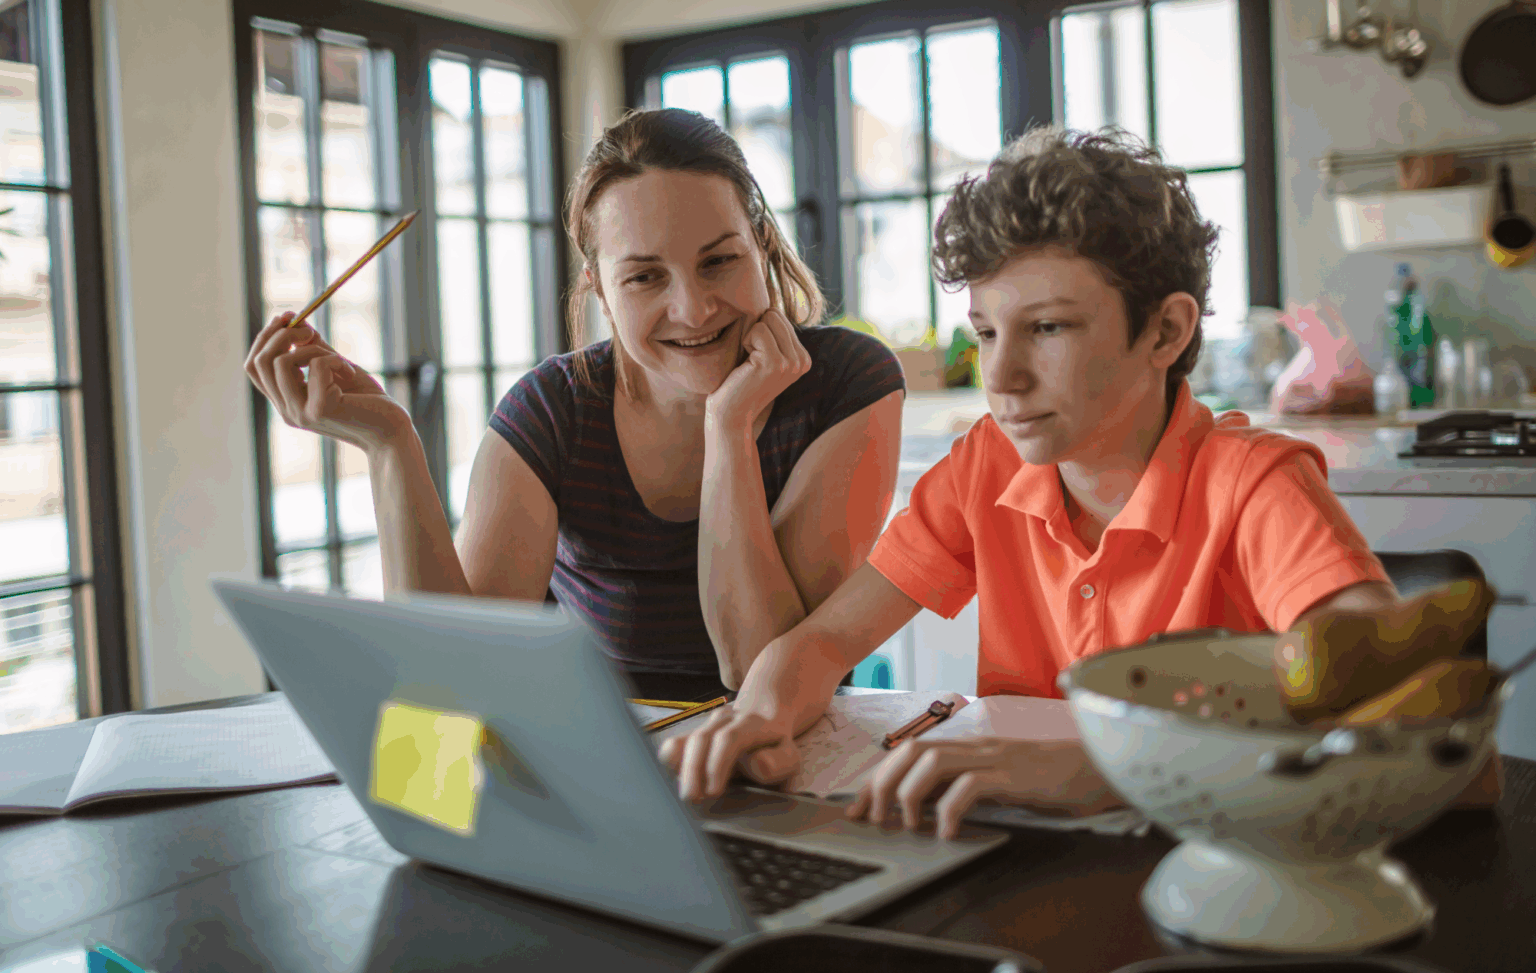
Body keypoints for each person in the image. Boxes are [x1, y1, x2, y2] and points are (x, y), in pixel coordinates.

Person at [661, 125, 1463, 833]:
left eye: (1046, 327)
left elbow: (1412, 727)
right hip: (1018, 857)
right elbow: (828, 639)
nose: (1001, 376)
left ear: (1166, 330)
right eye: (986, 332)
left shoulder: (1254, 484)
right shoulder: (987, 464)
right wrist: (759, 718)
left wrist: (1111, 771)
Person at [243, 109, 905, 695]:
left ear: (761, 245)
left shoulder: (848, 383)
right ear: (598, 287)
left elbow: (755, 667)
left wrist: (728, 428)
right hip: (606, 766)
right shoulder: (553, 412)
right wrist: (389, 443)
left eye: (718, 261)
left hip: (797, 761)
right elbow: (451, 679)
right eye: (644, 276)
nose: (693, 308)